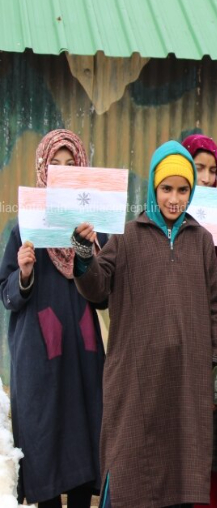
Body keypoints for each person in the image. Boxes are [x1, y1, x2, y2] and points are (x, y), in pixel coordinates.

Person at [72, 140, 217, 508]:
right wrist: (82, 255)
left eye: (183, 189)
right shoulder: (126, 237)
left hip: (187, 385)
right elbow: (97, 287)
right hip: (136, 382)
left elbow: (216, 307)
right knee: (129, 472)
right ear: (153, 189)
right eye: (166, 189)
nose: (174, 198)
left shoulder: (202, 240)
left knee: (181, 475)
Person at [0, 130, 104, 508]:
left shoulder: (92, 232)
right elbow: (7, 293)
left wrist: (85, 250)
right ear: (42, 170)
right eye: (53, 165)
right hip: (38, 356)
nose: (61, 173)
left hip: (82, 353)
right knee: (43, 441)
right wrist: (24, 273)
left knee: (80, 438)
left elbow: (104, 292)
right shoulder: (24, 227)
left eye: (70, 165)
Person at [181, 134, 217, 508]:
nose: (206, 177)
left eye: (213, 170)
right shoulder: (163, 225)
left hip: (214, 352)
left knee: (211, 453)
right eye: (198, 168)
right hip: (176, 349)